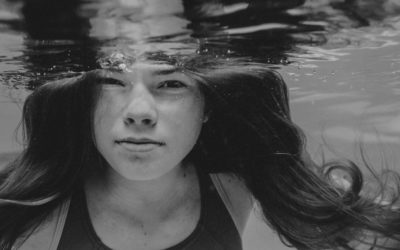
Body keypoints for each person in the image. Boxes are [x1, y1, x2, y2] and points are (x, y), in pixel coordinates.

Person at [0, 54, 399, 250]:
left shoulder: (249, 197)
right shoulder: (23, 214)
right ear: (82, 100)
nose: (139, 112)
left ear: (207, 106)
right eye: (110, 82)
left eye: (172, 84)